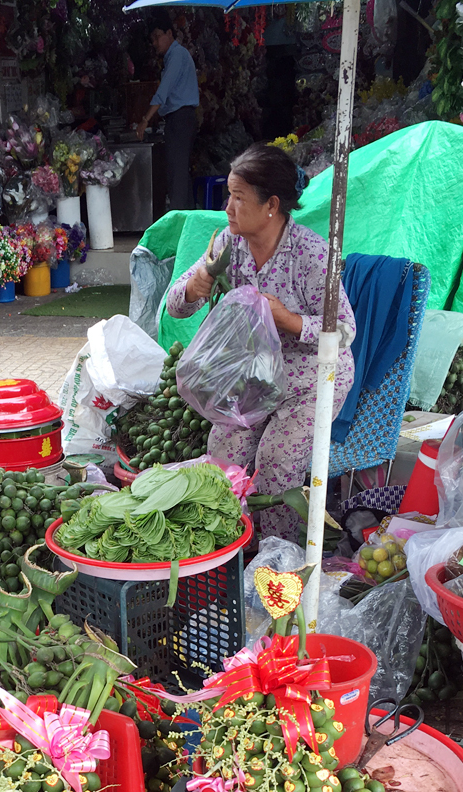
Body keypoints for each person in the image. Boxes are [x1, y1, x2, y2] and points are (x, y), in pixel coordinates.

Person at [166, 143, 356, 541]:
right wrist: (195, 286)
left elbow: (345, 330)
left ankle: (276, 555)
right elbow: (175, 307)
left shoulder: (311, 254)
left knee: (275, 462)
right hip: (252, 380)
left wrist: (286, 319)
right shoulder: (228, 247)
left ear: (271, 204)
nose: (228, 208)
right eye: (228, 196)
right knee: (222, 460)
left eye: (238, 198)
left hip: (309, 379)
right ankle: (227, 548)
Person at [135, 9, 199, 211]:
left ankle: (179, 221)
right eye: (152, 39)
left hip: (181, 118)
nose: (154, 43)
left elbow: (163, 91)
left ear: (169, 34)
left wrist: (145, 119)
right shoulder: (175, 56)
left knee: (177, 173)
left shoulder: (177, 55)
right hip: (179, 118)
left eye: (157, 37)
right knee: (179, 172)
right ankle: (187, 218)